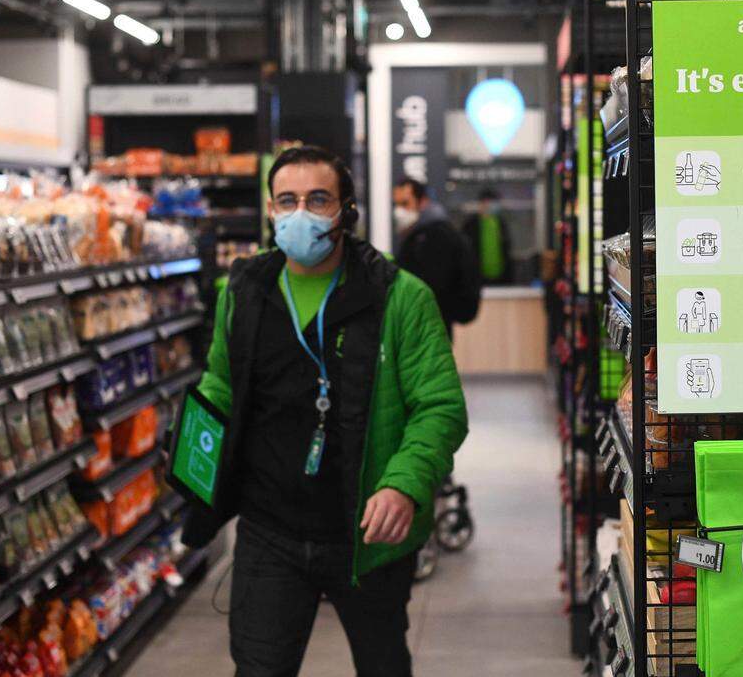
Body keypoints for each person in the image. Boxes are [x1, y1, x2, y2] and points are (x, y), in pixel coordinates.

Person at [182, 146, 468, 677]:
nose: (300, 213)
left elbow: (440, 407)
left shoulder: (401, 297)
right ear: (270, 211)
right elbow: (221, 381)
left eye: (318, 200)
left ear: (346, 211)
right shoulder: (242, 293)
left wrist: (404, 483)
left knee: (383, 665)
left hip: (368, 534)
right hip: (269, 529)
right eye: (286, 201)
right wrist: (193, 445)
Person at [392, 177, 482, 336]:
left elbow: (433, 286)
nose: (399, 211)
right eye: (396, 204)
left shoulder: (435, 236)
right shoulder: (417, 234)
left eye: (405, 204)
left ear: (423, 202)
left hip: (430, 328)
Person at [462, 188, 513, 285]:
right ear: (482, 203)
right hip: (477, 278)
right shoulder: (470, 225)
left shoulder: (501, 223)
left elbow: (506, 249)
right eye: (491, 202)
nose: (494, 206)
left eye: (495, 202)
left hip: (501, 278)